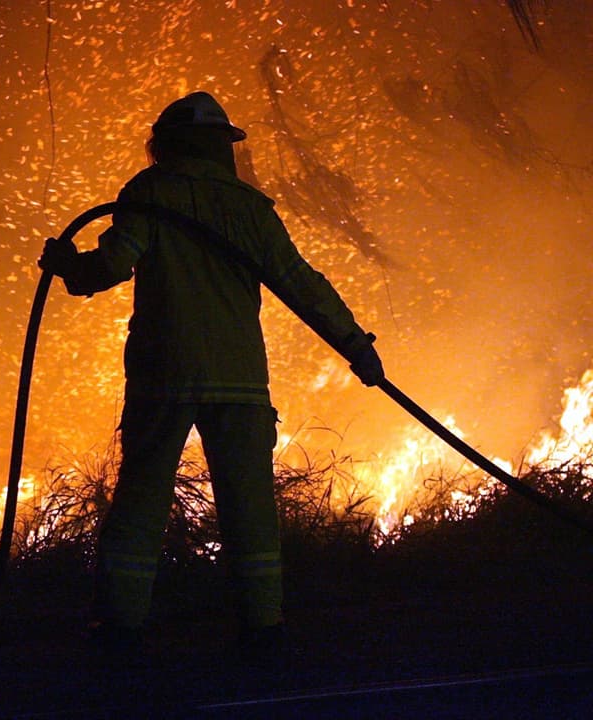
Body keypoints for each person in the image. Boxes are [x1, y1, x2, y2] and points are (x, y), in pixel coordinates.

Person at [38, 92, 384, 653]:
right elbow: (300, 282)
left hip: (164, 373)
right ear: (223, 146)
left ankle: (120, 629)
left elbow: (108, 267)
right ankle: (263, 629)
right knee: (249, 507)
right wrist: (355, 343)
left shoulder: (148, 194)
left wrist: (66, 267)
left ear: (164, 145)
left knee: (142, 499)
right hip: (240, 380)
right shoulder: (250, 208)